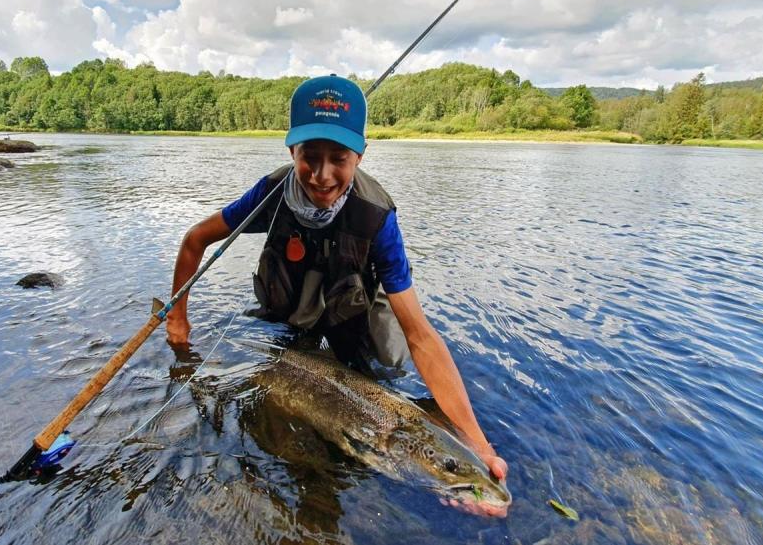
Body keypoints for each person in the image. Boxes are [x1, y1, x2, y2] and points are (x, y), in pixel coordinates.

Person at [166, 74, 508, 485]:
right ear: (292, 149)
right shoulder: (270, 194)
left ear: (360, 156)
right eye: (309, 155)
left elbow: (419, 334)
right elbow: (194, 241)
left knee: (386, 369)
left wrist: (477, 444)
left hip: (355, 301)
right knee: (285, 370)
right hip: (301, 297)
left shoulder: (376, 216)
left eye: (339, 158)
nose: (321, 175)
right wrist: (177, 318)